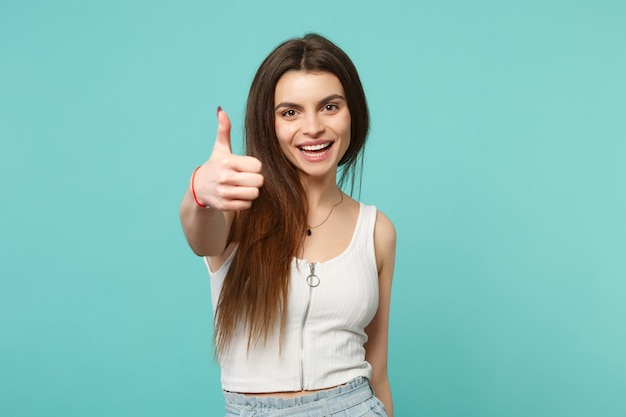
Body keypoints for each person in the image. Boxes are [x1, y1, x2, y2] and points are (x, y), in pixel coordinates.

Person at [180, 33, 396, 417]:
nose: (313, 127)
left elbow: (377, 372)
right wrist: (200, 191)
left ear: (353, 113)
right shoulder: (237, 207)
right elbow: (202, 239)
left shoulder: (376, 230)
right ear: (269, 123)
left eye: (330, 106)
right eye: (290, 112)